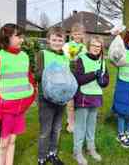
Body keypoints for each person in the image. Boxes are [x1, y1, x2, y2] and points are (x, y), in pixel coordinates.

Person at [0, 23, 36, 165]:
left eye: (22, 36)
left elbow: (29, 79)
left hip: (19, 109)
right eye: (18, 36)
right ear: (7, 37)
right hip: (3, 110)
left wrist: (31, 96)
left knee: (12, 141)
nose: (22, 40)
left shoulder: (24, 55)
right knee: (2, 144)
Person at [72, 36, 109, 165]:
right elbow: (79, 79)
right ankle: (77, 152)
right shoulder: (81, 59)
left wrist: (102, 80)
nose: (96, 48)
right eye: (93, 45)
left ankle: (90, 148)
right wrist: (94, 74)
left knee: (91, 125)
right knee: (80, 126)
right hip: (83, 97)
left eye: (98, 46)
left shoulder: (103, 62)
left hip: (96, 97)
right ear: (89, 46)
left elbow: (106, 81)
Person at [36, 27, 70, 165]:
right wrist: (52, 72)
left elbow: (69, 76)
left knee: (57, 128)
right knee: (45, 130)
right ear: (48, 40)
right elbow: (37, 75)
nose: (57, 42)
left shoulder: (66, 57)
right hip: (46, 98)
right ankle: (42, 157)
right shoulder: (43, 54)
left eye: (60, 40)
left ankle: (52, 153)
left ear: (64, 41)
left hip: (61, 98)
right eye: (54, 39)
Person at [63, 23, 87, 133]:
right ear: (72, 34)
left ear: (83, 35)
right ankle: (70, 122)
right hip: (70, 75)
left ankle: (78, 120)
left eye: (79, 34)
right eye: (75, 34)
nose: (77, 36)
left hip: (81, 76)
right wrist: (77, 53)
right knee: (70, 101)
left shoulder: (85, 47)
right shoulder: (68, 45)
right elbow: (71, 58)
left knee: (79, 99)